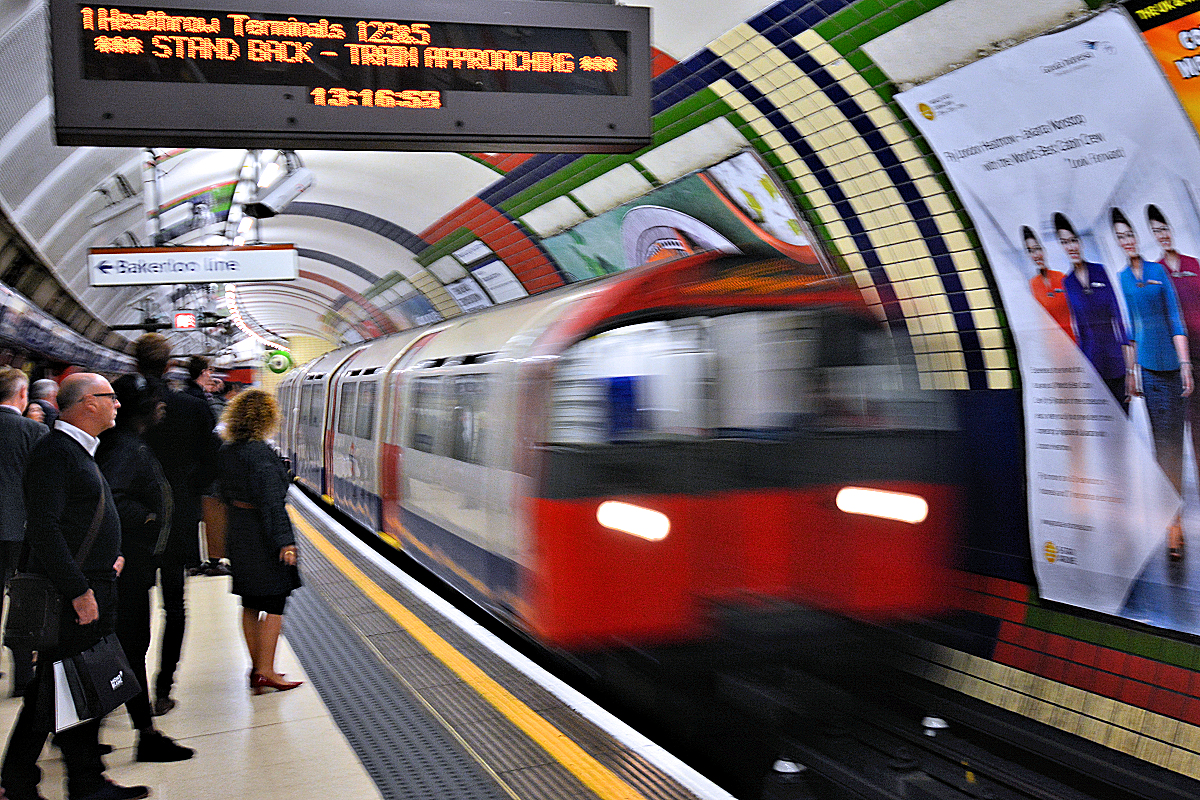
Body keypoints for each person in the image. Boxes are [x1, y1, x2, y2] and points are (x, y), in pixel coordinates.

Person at [0, 373, 152, 800]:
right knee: (64, 687)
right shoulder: (57, 453)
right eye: (111, 398)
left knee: (68, 687)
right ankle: (49, 781)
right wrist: (79, 590)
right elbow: (45, 530)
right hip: (74, 595)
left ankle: (59, 779)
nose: (117, 405)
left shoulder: (78, 452)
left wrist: (111, 554)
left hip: (92, 584)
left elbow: (75, 517)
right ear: (88, 403)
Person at [97, 374, 194, 762]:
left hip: (129, 561)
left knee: (124, 647)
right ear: (141, 408)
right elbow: (114, 497)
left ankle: (80, 732)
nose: (162, 405)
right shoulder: (126, 449)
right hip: (129, 563)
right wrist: (150, 520)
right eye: (156, 400)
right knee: (130, 646)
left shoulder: (128, 443)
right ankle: (144, 735)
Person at [136, 335, 220, 716]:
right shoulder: (190, 406)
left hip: (131, 519)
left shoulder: (121, 405)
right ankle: (163, 688)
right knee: (175, 604)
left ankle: (129, 690)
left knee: (131, 607)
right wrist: (188, 491)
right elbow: (213, 459)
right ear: (170, 363)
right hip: (179, 516)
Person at [1113, 206, 1192, 561]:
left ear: (1136, 237)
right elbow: (1131, 328)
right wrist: (1131, 372)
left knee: (1175, 442)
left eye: (1129, 235)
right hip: (1148, 372)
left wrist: (1186, 364)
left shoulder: (1159, 271)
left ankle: (1175, 513)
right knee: (1163, 446)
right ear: (1117, 243)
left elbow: (1175, 318)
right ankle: (1173, 523)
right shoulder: (1123, 278)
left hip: (1173, 369)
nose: (1126, 241)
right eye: (1120, 238)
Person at [217, 390, 302, 694]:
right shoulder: (259, 453)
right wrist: (285, 542)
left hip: (239, 530)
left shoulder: (227, 450)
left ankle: (258, 670)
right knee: (276, 602)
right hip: (261, 532)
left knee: (251, 602)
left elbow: (221, 491)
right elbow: (271, 501)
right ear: (265, 418)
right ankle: (266, 670)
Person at [0, 367, 47, 697]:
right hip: (19, 529)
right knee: (21, 598)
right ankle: (22, 675)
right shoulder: (35, 432)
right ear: (21, 394)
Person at [1057, 212, 1131, 409]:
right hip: (1092, 365)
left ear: (1079, 242)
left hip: (1116, 362)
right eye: (1065, 242)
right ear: (1061, 246)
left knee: (1125, 421)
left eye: (1073, 240)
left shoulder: (1100, 271)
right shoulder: (1068, 282)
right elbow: (1078, 329)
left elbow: (1118, 317)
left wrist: (1130, 369)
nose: (1071, 246)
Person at [1024, 225, 1075, 341]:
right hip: (1050, 342)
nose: (1036, 255)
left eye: (1037, 249)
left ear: (1043, 250)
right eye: (1031, 251)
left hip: (1072, 338)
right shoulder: (1031, 285)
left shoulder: (1062, 278)